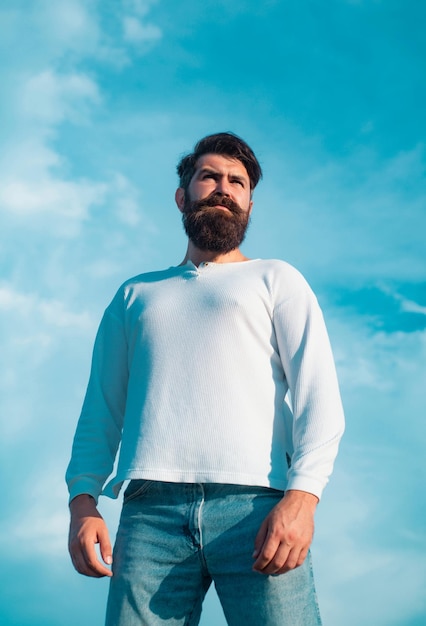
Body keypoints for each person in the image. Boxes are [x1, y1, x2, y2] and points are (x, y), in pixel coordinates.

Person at [66, 132, 345, 626]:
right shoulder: (135, 294)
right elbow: (101, 410)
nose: (223, 188)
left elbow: (318, 402)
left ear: (249, 203)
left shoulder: (276, 279)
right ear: (182, 195)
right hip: (149, 514)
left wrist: (302, 499)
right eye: (209, 176)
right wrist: (83, 501)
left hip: (257, 508)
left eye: (236, 182)